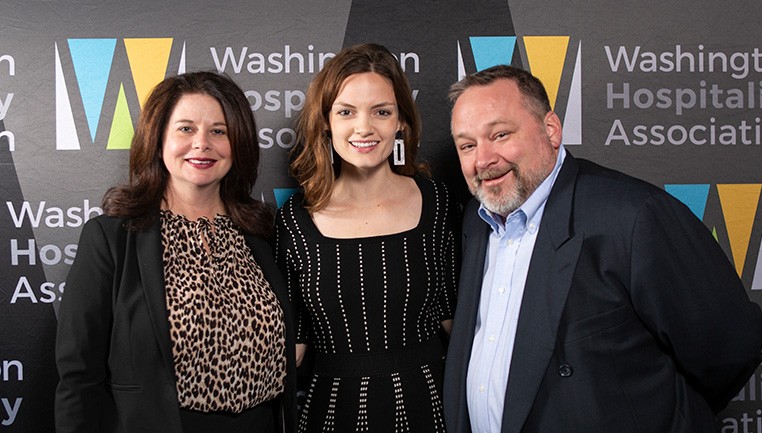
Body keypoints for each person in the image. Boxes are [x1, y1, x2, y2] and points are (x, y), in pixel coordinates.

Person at [443, 65, 762, 433]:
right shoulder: (475, 221)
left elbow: (729, 347)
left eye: (500, 134)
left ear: (551, 129)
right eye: (467, 145)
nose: (483, 160)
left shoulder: (633, 215)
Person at [55, 71, 296, 433]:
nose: (202, 144)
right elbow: (78, 377)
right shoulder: (111, 239)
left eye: (219, 130)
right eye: (185, 128)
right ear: (158, 139)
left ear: (239, 143)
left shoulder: (262, 235)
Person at [274, 43, 460, 433]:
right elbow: (293, 348)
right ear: (325, 122)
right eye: (346, 112)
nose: (364, 128)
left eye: (381, 111)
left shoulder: (438, 202)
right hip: (331, 414)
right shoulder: (295, 219)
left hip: (433, 407)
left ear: (401, 122)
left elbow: (458, 324)